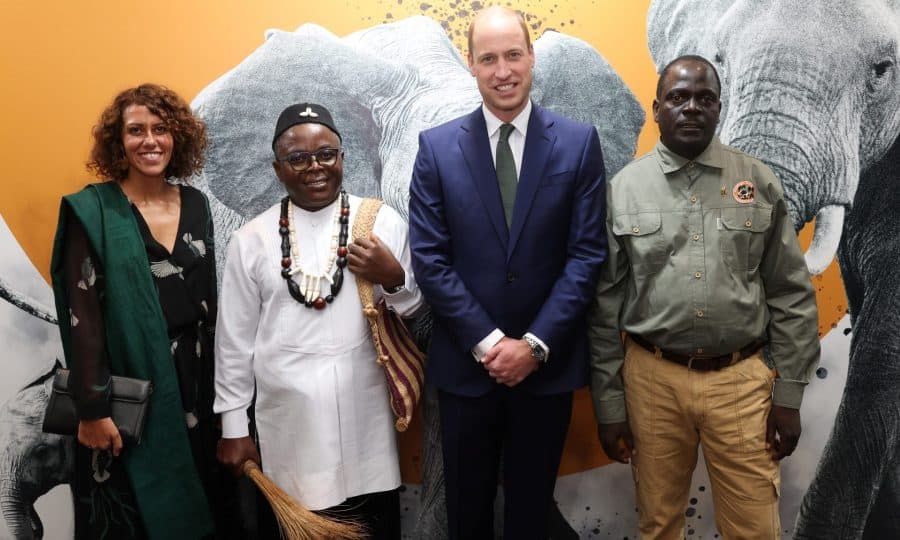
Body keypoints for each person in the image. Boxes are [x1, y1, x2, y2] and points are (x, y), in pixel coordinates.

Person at [589, 55, 820, 539]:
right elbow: (603, 308)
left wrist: (789, 395)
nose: (691, 108)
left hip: (741, 383)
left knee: (755, 529)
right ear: (657, 109)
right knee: (659, 526)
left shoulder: (757, 180)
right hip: (652, 383)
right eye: (678, 97)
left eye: (704, 98)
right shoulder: (623, 190)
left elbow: (791, 294)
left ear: (719, 107)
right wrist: (610, 407)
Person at [407, 6, 607, 538]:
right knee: (466, 518)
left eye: (513, 55)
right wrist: (491, 344)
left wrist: (534, 345)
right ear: (470, 64)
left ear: (532, 56)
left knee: (530, 518)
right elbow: (430, 260)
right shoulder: (436, 148)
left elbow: (587, 256)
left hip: (547, 372)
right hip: (466, 372)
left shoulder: (579, 142)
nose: (503, 71)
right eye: (489, 58)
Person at [214, 102, 424, 539]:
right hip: (291, 428)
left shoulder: (378, 222)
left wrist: (393, 278)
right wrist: (233, 427)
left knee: (375, 526)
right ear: (277, 169)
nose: (315, 167)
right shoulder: (250, 240)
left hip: (367, 423)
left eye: (326, 154)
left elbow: (416, 315)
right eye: (298, 158)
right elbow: (234, 344)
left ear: (342, 157)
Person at [50, 83, 238, 539]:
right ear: (118, 141)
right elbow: (82, 318)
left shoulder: (196, 204)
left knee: (204, 509)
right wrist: (92, 409)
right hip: (127, 394)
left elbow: (210, 304)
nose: (150, 140)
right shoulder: (93, 211)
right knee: (136, 518)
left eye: (161, 129)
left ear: (178, 138)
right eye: (136, 130)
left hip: (198, 388)